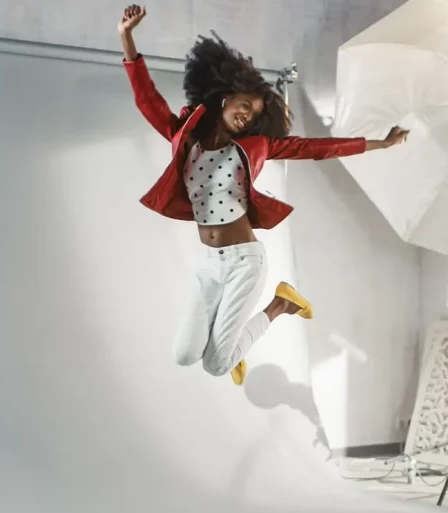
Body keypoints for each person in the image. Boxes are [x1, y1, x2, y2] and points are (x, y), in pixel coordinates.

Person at [117, 4, 408, 385]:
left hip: (245, 263)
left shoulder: (256, 146)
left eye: (254, 114)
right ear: (225, 98)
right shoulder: (184, 137)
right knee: (184, 355)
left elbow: (315, 147)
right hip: (212, 265)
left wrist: (378, 144)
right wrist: (126, 38)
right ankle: (235, 342)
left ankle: (281, 303)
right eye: (244, 105)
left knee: (216, 365)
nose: (247, 115)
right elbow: (147, 99)